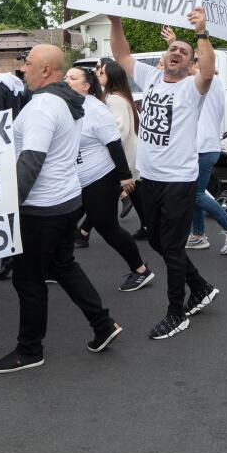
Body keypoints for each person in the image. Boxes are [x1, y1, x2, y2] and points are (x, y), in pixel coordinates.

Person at [0, 44, 122, 374]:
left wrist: (8, 205)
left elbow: (31, 160)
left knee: (28, 281)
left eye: (28, 63)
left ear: (46, 70)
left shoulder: (42, 107)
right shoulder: (64, 100)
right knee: (63, 265)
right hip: (66, 200)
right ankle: (103, 324)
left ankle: (30, 350)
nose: (23, 69)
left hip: (40, 208)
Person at [109, 11, 220, 340]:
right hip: (150, 179)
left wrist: (201, 32)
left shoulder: (191, 88)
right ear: (164, 56)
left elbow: (210, 72)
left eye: (184, 53)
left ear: (190, 64)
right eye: (174, 49)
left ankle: (176, 313)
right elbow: (121, 55)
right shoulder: (153, 78)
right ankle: (199, 286)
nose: (177, 53)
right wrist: (115, 21)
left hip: (178, 181)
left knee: (170, 248)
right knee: (157, 240)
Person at [153, 27, 227, 254]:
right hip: (200, 146)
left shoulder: (210, 81)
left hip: (203, 147)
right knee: (194, 191)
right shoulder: (203, 82)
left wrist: (177, 43)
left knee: (194, 193)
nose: (192, 64)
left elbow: (182, 70)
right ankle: (198, 234)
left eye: (197, 60)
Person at [64, 65, 154, 292]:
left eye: (72, 78)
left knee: (107, 227)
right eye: (65, 76)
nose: (66, 80)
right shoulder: (68, 106)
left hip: (100, 178)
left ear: (86, 86)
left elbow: (114, 142)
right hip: (77, 179)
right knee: (62, 223)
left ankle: (141, 270)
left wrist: (124, 177)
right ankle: (58, 267)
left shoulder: (96, 109)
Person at [98, 59, 149, 241]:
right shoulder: (118, 96)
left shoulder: (114, 99)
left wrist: (103, 146)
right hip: (129, 152)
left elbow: (120, 130)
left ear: (111, 76)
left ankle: (83, 231)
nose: (97, 73)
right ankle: (148, 225)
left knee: (103, 194)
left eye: (101, 71)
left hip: (124, 153)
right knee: (135, 191)